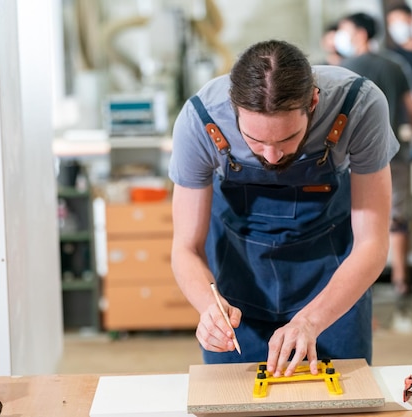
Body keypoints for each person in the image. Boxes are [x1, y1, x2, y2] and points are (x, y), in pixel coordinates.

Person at [168, 39, 398, 376]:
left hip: (333, 284)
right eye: (256, 140)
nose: (272, 156)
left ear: (313, 102)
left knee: (342, 405)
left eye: (287, 139)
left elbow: (372, 243)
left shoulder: (359, 105)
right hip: (238, 284)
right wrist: (209, 308)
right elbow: (185, 247)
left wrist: (311, 320)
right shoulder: (200, 119)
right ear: (234, 109)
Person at [333, 12, 412, 303]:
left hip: (352, 159)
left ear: (359, 33)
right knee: (397, 215)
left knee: (358, 220)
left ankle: (360, 286)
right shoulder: (394, 65)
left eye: (344, 30)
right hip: (393, 153)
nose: (340, 35)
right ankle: (401, 280)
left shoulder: (345, 68)